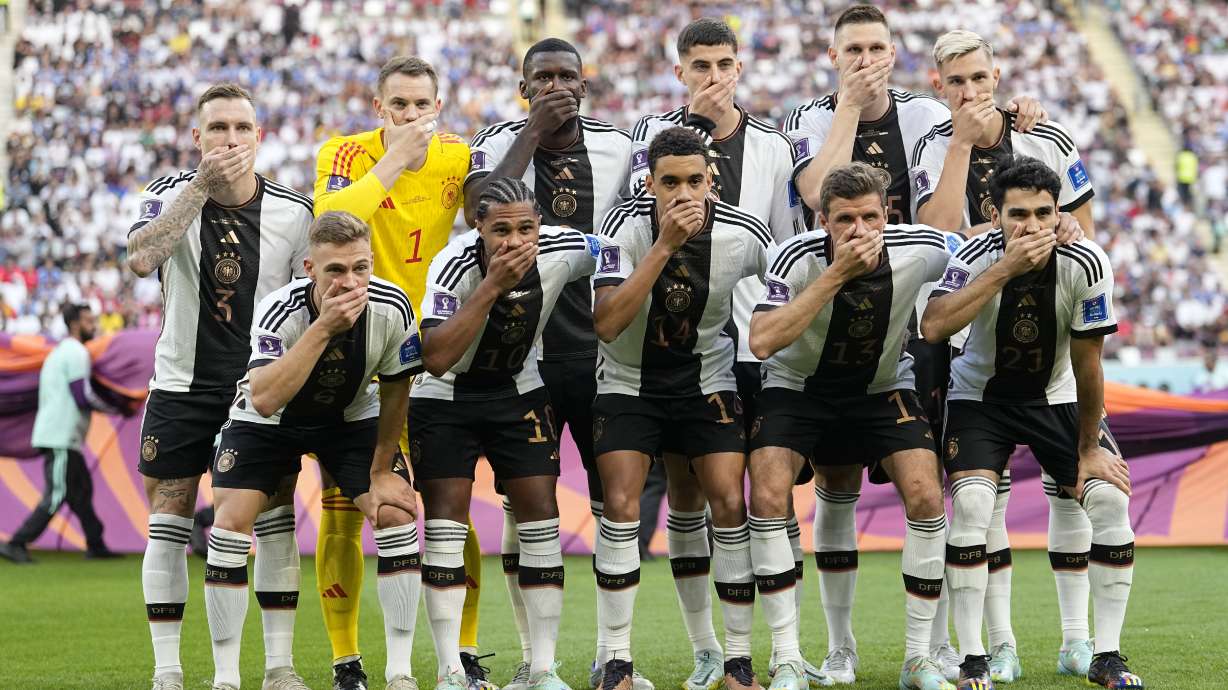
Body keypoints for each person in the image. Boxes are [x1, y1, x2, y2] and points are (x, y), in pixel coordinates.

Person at [783, 6, 1048, 679]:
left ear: (896, 53)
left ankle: (977, 641)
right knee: (836, 483)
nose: (866, 59)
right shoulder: (808, 120)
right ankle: (841, 650)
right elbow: (816, 193)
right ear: (832, 56)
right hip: (839, 323)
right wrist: (849, 104)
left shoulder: (929, 116)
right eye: (853, 49)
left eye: (877, 47)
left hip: (925, 320)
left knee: (958, 486)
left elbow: (953, 214)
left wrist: (1013, 114)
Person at [628, 18, 814, 690]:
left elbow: (789, 248)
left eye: (724, 64)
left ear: (741, 68)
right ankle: (711, 650)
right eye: (700, 65)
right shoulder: (648, 141)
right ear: (680, 72)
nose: (713, 76)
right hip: (685, 344)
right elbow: (628, 221)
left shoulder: (774, 145)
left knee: (771, 495)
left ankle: (787, 651)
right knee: (686, 495)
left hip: (756, 345)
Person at [909, 30, 1100, 681]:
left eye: (979, 79)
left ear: (997, 75)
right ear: (939, 87)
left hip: (1041, 335)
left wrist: (1056, 228)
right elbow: (934, 241)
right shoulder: (932, 145)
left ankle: (1078, 641)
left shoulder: (1049, 135)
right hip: (961, 338)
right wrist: (961, 142)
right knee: (977, 502)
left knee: (1069, 491)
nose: (969, 93)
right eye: (956, 82)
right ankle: (997, 642)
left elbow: (1085, 235)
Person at [920, 156, 1143, 690]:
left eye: (1045, 213)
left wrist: (1090, 450)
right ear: (994, 213)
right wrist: (1004, 270)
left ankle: (1104, 655)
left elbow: (1090, 363)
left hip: (1059, 396)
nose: (1033, 227)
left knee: (1109, 498)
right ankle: (975, 658)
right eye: (1018, 214)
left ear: (1058, 211)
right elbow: (933, 325)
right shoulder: (974, 255)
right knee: (973, 505)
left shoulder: (1086, 262)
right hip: (980, 399)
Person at [126, 83, 312, 690]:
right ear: (197, 138)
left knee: (275, 513)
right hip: (180, 386)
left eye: (241, 128)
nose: (230, 139)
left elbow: (299, 308)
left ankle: (279, 668)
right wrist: (201, 185)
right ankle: (167, 672)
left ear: (259, 138)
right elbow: (140, 258)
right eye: (218, 128)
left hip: (256, 392)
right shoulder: (169, 195)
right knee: (170, 513)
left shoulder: (292, 212)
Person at [463, 37, 634, 690]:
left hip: (604, 358)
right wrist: (533, 130)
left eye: (567, 76)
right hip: (523, 360)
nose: (556, 85)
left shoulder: (617, 148)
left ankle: (615, 658)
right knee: (523, 507)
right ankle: (539, 665)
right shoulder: (499, 142)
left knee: (616, 504)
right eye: (543, 78)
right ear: (523, 86)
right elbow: (478, 207)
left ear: (585, 85)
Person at [313, 55, 487, 690]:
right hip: (357, 355)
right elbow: (333, 222)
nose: (412, 116)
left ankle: (462, 651)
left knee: (448, 510)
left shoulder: (459, 158)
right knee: (343, 508)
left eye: (422, 106)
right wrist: (394, 159)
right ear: (378, 108)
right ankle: (346, 660)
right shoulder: (344, 153)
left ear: (438, 106)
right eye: (399, 106)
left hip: (435, 357)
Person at [747, 161, 955, 690]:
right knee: (769, 497)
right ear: (823, 221)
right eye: (845, 220)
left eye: (869, 217)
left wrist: (1063, 227)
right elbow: (763, 341)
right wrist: (836, 274)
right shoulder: (793, 258)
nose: (860, 230)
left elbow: (979, 247)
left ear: (887, 214)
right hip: (798, 388)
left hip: (882, 386)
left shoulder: (919, 248)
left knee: (928, 497)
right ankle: (794, 656)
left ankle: (918, 659)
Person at [204, 211, 424, 690]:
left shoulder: (393, 307)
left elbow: (397, 389)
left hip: (349, 420)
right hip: (268, 421)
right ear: (310, 269)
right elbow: (263, 397)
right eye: (335, 271)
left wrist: (384, 467)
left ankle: (400, 673)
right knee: (230, 524)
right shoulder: (279, 310)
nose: (351, 281)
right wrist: (323, 327)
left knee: (395, 513)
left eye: (360, 268)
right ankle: (235, 678)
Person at [591, 126, 773, 690]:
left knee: (726, 502)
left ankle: (736, 662)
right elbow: (607, 322)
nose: (683, 193)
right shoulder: (621, 228)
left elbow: (792, 281)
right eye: (669, 182)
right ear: (649, 183)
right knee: (621, 505)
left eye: (695, 180)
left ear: (711, 181)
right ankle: (616, 663)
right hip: (627, 381)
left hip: (707, 380)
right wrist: (665, 244)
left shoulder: (744, 233)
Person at [412, 178, 598, 690]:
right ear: (478, 227)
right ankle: (451, 670)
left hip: (519, 391)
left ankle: (541, 668)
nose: (514, 242)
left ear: (540, 225)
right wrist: (492, 286)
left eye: (525, 229)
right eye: (500, 231)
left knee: (541, 517)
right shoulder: (453, 266)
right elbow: (436, 356)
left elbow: (614, 252)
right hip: (445, 396)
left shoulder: (564, 248)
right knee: (447, 527)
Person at [0, 304, 125, 564]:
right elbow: (82, 396)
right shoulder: (76, 352)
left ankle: (96, 543)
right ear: (76, 324)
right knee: (57, 492)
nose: (95, 325)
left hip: (63, 436)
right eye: (90, 321)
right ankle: (16, 543)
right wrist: (117, 407)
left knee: (81, 492)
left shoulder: (60, 352)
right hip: (60, 437)